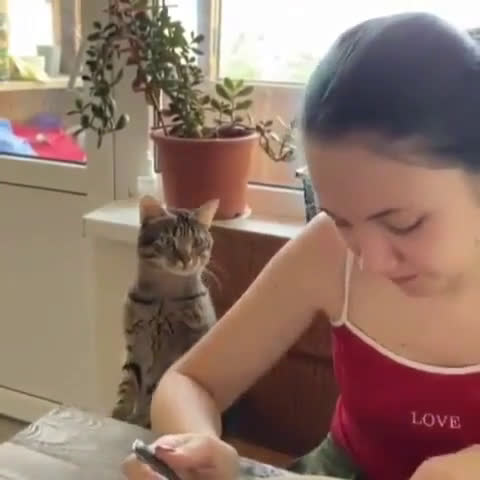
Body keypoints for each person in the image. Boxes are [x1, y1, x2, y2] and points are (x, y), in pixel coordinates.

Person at [124, 12, 480, 480]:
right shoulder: (328, 251)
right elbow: (189, 381)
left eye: (404, 223)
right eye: (342, 220)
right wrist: (195, 448)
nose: (371, 260)